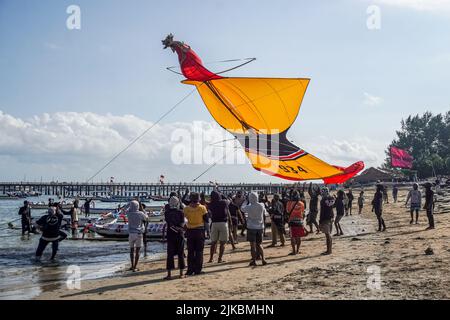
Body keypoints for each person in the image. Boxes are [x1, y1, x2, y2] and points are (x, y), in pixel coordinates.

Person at [183, 192, 208, 275]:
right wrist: (207, 232)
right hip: (200, 231)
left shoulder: (186, 209)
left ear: (190, 199)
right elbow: (206, 221)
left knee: (190, 251)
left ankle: (190, 270)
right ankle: (198, 270)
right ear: (198, 199)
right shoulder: (202, 208)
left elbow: (184, 221)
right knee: (199, 251)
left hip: (190, 231)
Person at [241, 192, 267, 266]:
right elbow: (264, 211)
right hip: (260, 227)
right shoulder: (261, 205)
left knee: (252, 245)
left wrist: (245, 201)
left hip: (251, 227)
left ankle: (254, 260)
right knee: (260, 244)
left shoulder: (249, 207)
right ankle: (263, 259)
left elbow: (242, 208)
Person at [208, 191, 233, 263]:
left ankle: (211, 258)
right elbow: (229, 200)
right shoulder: (224, 202)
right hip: (223, 223)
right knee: (223, 243)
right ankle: (220, 258)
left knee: (213, 242)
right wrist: (221, 193)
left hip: (214, 223)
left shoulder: (210, 204)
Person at [164, 196, 186, 280]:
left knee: (170, 254)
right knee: (180, 253)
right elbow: (182, 224)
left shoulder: (167, 213)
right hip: (179, 234)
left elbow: (168, 223)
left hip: (170, 234)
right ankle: (181, 273)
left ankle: (169, 274)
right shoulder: (181, 212)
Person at [126, 200, 148, 272]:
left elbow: (127, 208)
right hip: (138, 233)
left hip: (131, 233)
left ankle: (132, 265)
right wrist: (142, 209)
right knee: (137, 251)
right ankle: (135, 266)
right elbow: (146, 218)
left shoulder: (129, 213)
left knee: (131, 250)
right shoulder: (140, 213)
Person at [286, 191, 306, 255]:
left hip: (292, 221)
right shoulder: (302, 203)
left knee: (292, 237)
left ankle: (294, 251)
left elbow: (287, 211)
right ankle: (298, 250)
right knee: (298, 236)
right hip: (300, 221)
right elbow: (302, 212)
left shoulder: (289, 203)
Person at [319, 187, 335, 255]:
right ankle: (329, 250)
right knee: (329, 235)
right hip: (331, 218)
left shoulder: (323, 200)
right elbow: (331, 207)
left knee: (327, 235)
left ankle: (329, 251)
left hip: (325, 218)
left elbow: (322, 211)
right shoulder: (332, 198)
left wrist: (320, 221)